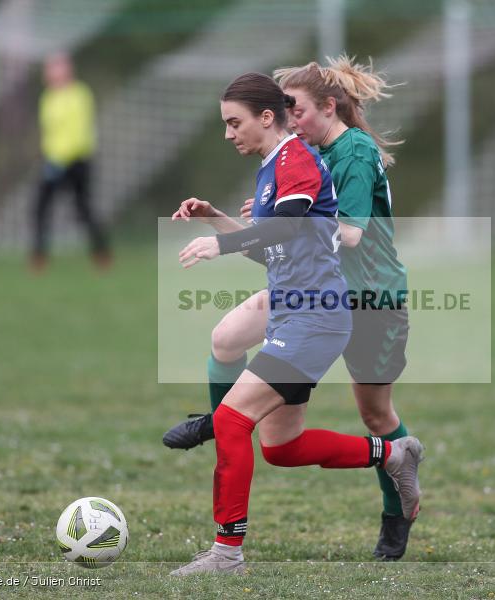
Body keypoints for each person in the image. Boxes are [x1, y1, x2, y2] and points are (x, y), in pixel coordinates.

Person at [168, 72, 423, 576]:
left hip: (322, 312)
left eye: (233, 122)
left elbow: (297, 228)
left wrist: (223, 243)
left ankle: (226, 554)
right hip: (298, 307)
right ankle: (393, 454)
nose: (227, 133)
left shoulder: (298, 160)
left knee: (236, 420)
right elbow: (276, 248)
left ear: (267, 117)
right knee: (282, 448)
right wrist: (219, 221)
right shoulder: (273, 166)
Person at [31, 52, 110, 271]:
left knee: (83, 210)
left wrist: (61, 160)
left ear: (67, 69)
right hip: (53, 162)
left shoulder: (80, 94)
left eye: (56, 66)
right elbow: (49, 133)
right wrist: (50, 159)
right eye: (49, 67)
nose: (51, 72)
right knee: (40, 208)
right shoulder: (47, 97)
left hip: (77, 162)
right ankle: (39, 257)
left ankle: (101, 254)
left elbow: (78, 132)